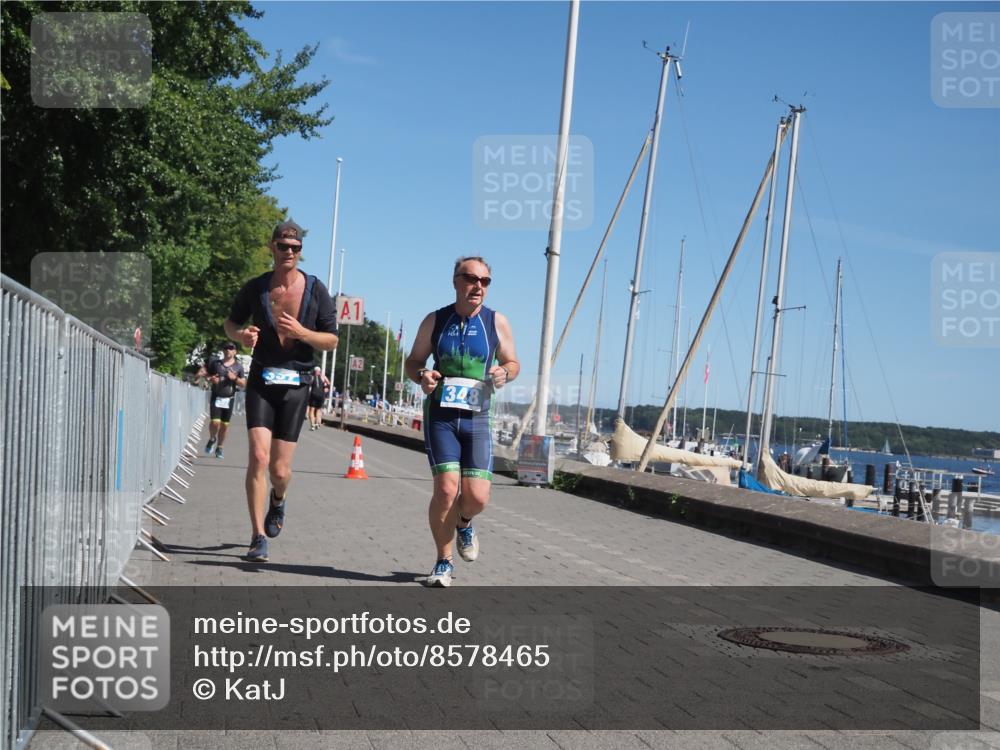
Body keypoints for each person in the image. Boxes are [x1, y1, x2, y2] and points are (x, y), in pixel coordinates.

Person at [224, 220, 339, 562]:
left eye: (296, 248)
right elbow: (230, 322)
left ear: (301, 252)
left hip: (296, 384)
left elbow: (331, 340)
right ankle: (258, 536)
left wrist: (303, 332)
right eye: (284, 246)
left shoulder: (316, 290)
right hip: (261, 380)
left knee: (280, 471)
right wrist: (239, 336)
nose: (289, 252)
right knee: (258, 457)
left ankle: (278, 499)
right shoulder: (257, 288)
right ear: (272, 247)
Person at [405, 256, 519, 587]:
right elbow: (413, 362)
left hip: (478, 419)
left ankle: (465, 522)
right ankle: (444, 561)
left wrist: (504, 372)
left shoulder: (497, 322)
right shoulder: (435, 320)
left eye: (485, 281)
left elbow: (513, 362)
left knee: (477, 497)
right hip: (441, 416)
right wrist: (423, 375)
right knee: (445, 490)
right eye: (471, 279)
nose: (478, 286)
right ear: (456, 281)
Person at [204, 342, 247, 459]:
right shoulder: (216, 364)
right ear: (223, 351)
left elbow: (243, 384)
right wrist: (211, 379)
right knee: (215, 422)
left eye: (231, 348)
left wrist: (235, 378)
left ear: (235, 352)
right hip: (216, 397)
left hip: (229, 399)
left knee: (225, 425)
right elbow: (208, 376)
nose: (228, 350)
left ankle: (220, 447)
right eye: (226, 348)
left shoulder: (238, 367)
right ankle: (212, 438)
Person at [306, 365, 330, 430]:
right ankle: (317, 423)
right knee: (319, 410)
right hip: (321, 395)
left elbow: (308, 385)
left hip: (313, 394)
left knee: (312, 410)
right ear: (320, 371)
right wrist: (326, 387)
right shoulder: (323, 377)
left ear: (314, 371)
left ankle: (312, 425)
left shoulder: (312, 377)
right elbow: (328, 383)